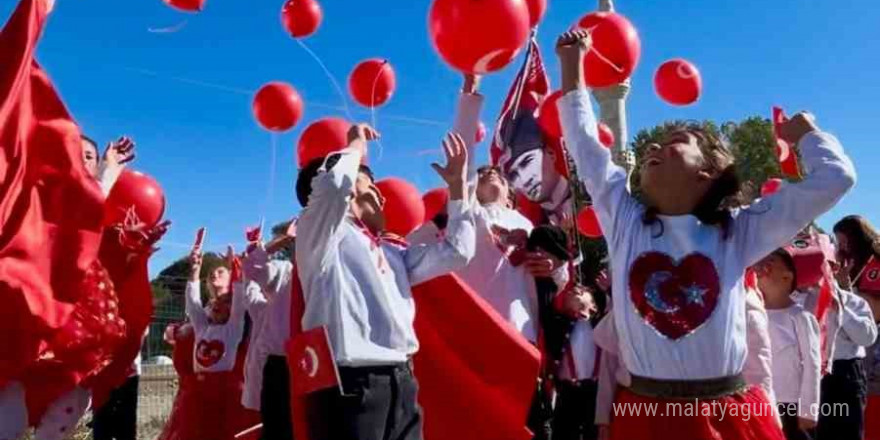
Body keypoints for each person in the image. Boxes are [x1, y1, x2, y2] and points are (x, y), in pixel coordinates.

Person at [554, 27, 855, 440]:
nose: (653, 149)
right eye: (652, 148)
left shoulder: (741, 229)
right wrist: (573, 68)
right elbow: (585, 144)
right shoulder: (622, 218)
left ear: (707, 173)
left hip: (728, 418)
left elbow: (835, 179)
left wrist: (806, 136)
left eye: (675, 141)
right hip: (644, 417)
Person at [250, 123, 475, 440]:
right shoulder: (322, 235)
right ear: (349, 191)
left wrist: (457, 190)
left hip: (401, 381)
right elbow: (332, 183)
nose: (381, 193)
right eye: (370, 183)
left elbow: (458, 252)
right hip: (349, 387)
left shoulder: (394, 251)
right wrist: (355, 143)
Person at [160, 246, 254, 440]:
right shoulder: (203, 325)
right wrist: (194, 272)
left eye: (220, 271)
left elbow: (239, 304)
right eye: (211, 273)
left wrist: (237, 269)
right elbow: (193, 304)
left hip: (230, 390)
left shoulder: (235, 326)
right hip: (199, 393)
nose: (214, 275)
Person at [815, 215, 880, 440]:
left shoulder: (874, 264)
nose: (841, 247)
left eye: (845, 242)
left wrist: (845, 291)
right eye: (838, 242)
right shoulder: (846, 264)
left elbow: (873, 312)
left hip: (866, 347)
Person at [756, 250, 821, 440]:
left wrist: (808, 410)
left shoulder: (801, 317)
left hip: (791, 405)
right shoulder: (751, 314)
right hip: (760, 402)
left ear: (787, 276)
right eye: (758, 264)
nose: (761, 268)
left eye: (769, 263)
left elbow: (812, 365)